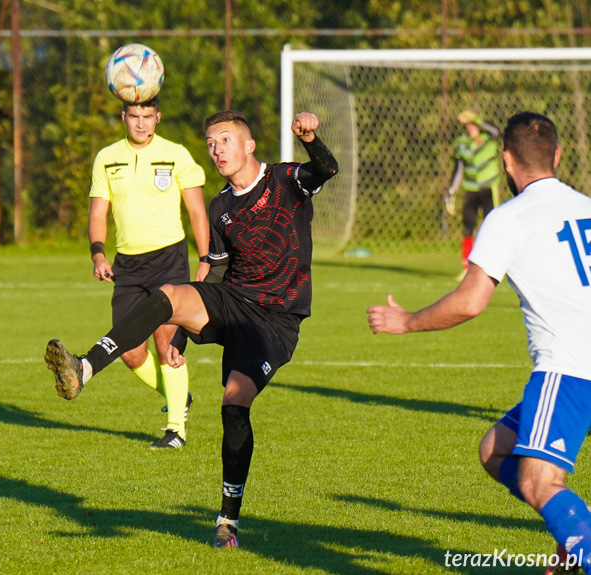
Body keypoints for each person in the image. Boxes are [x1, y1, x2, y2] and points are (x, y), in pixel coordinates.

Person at [45, 109, 338, 548]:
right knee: (170, 292)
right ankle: (85, 367)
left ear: (248, 144)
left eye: (224, 140)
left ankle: (227, 522)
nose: (216, 149)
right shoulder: (221, 208)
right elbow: (215, 275)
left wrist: (311, 138)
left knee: (234, 406)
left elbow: (327, 169)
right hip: (233, 299)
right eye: (210, 143)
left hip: (276, 319)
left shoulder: (286, 179)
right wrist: (179, 327)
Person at [368, 112, 591, 575]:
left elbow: (470, 302)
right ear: (558, 155)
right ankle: (576, 540)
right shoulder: (587, 205)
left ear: (505, 160)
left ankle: (585, 542)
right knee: (496, 449)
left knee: (537, 481)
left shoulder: (509, 217)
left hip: (571, 367)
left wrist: (406, 321)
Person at [88, 96, 210, 449]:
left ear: (158, 118)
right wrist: (98, 254)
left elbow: (197, 213)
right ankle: (179, 397)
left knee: (165, 343)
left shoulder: (177, 154)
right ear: (123, 117)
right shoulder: (107, 158)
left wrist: (205, 258)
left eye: (148, 117)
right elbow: (97, 214)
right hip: (127, 265)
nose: (141, 124)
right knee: (129, 351)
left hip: (169, 260)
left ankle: (175, 430)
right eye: (134, 117)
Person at [445, 109, 502, 281]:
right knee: (468, 227)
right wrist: (451, 191)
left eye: (472, 124)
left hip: (488, 187)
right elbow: (458, 169)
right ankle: (466, 267)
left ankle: (495, 264)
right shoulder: (461, 143)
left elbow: (497, 131)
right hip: (470, 189)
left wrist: (478, 118)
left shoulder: (487, 138)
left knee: (491, 226)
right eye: (467, 124)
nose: (470, 127)